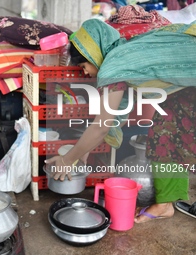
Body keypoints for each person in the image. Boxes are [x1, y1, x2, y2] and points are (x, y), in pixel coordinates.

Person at [45, 19, 196, 223]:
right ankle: (164, 204)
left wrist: (66, 159)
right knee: (165, 131)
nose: (86, 72)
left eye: (83, 64)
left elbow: (101, 126)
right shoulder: (124, 55)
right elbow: (108, 120)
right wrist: (83, 151)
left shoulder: (114, 66)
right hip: (187, 86)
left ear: (94, 53)